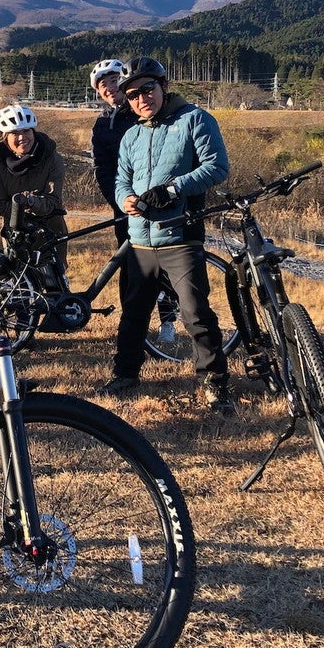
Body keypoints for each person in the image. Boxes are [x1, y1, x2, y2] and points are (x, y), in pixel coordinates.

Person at [99, 56, 235, 414]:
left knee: (195, 313)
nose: (141, 98)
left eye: (147, 89)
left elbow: (217, 167)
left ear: (163, 87)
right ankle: (126, 373)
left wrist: (174, 189)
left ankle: (215, 382)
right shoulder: (132, 134)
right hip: (140, 239)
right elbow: (120, 179)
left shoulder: (195, 120)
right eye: (132, 95)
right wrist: (123, 198)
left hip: (180, 236)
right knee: (134, 313)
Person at [0, 103, 69, 286]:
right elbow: (1, 204)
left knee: (55, 287)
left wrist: (31, 201)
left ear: (34, 132)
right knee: (19, 291)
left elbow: (53, 200)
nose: (22, 137)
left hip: (50, 231)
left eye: (26, 131)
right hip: (16, 233)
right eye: (15, 133)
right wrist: (20, 206)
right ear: (6, 138)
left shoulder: (52, 158)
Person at [88, 58, 138, 303]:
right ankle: (129, 317)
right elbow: (102, 169)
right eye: (102, 85)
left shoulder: (144, 111)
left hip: (159, 199)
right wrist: (119, 200)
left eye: (114, 80)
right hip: (124, 204)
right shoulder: (100, 125)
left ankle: (168, 320)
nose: (109, 87)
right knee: (127, 260)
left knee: (163, 263)